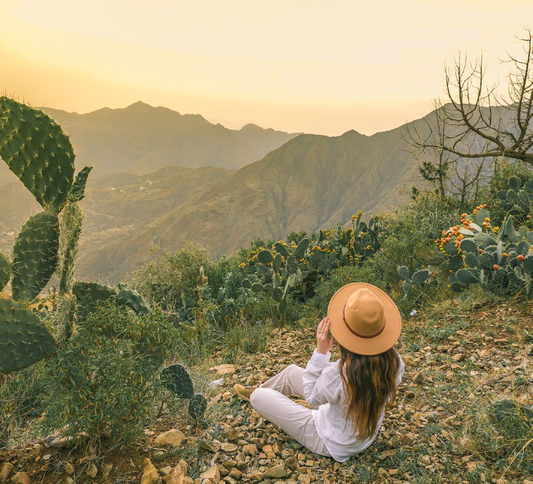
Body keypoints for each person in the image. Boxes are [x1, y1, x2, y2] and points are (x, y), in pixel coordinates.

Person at [233, 282, 405, 463]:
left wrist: (321, 353)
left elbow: (311, 397)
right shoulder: (394, 362)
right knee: (291, 371)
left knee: (258, 397)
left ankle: (258, 393)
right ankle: (263, 390)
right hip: (364, 435)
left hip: (330, 441)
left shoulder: (339, 373)